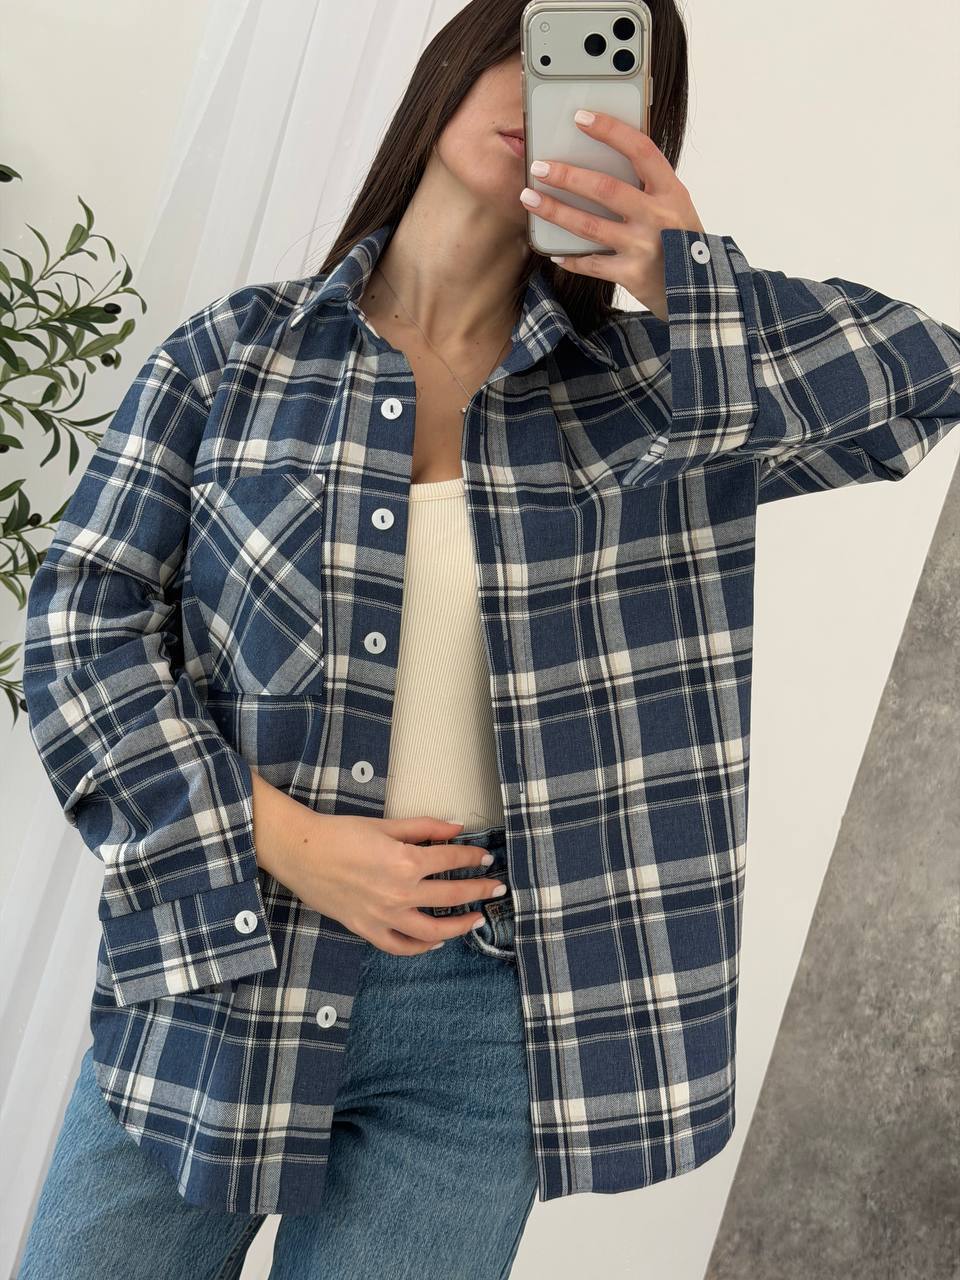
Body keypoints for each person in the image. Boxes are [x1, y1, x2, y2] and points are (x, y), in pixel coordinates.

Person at [16, 0, 960, 1277]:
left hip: (486, 1018)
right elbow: (80, 632)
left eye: (605, 70)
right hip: (223, 961)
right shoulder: (234, 358)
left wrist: (684, 277)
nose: (542, 87)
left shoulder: (658, 397)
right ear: (454, 59)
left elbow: (925, 378)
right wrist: (284, 839)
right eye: (531, 39)